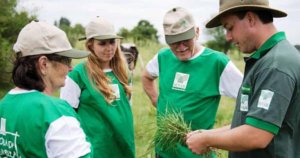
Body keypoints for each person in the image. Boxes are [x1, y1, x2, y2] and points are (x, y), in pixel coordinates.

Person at [186, 0, 300, 158]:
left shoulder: (275, 65)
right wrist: (208, 134)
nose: (227, 37)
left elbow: (257, 134)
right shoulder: (267, 59)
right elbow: (251, 123)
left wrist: (206, 140)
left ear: (251, 19)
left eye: (230, 28)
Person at [142, 7, 243, 158]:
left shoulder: (217, 63)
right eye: (174, 42)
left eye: (185, 40)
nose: (180, 47)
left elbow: (249, 100)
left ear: (196, 32)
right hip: (163, 151)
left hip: (196, 154)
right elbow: (147, 76)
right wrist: (157, 101)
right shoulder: (163, 56)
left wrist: (226, 131)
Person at [0, 20, 92, 157]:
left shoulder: (4, 105)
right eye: (66, 60)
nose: (70, 67)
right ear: (43, 64)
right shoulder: (56, 113)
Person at [60, 17, 135, 158]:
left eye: (112, 42)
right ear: (90, 45)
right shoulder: (78, 75)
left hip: (123, 145)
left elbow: (127, 109)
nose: (109, 48)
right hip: (96, 149)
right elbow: (67, 118)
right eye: (102, 43)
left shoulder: (124, 73)